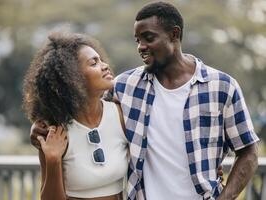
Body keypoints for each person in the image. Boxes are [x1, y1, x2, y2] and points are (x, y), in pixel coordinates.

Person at [30, 2, 258, 200]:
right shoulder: (124, 86)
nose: (141, 47)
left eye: (148, 38)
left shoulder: (222, 87)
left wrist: (225, 197)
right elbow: (79, 103)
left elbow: (248, 152)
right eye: (137, 40)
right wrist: (40, 125)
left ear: (174, 34)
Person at [23, 32, 128, 200]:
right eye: (94, 63)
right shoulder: (54, 131)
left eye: (101, 59)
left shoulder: (121, 115)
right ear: (73, 78)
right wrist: (53, 159)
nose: (105, 65)